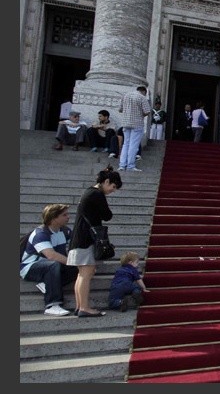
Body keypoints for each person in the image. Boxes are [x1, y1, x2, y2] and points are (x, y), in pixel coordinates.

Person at [68, 166, 123, 317]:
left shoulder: (89, 192)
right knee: (86, 273)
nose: (113, 190)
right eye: (113, 186)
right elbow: (107, 215)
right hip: (86, 239)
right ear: (106, 181)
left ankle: (80, 306)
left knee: (82, 274)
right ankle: (85, 308)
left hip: (79, 238)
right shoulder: (97, 194)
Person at [20, 203, 79, 316]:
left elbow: (75, 243)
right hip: (30, 267)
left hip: (52, 266)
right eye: (64, 215)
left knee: (81, 269)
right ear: (53, 218)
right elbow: (51, 255)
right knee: (53, 264)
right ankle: (52, 305)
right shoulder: (40, 234)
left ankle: (47, 284)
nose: (68, 217)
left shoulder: (64, 231)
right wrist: (74, 262)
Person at [118, 86, 151, 170]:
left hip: (126, 123)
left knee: (126, 144)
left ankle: (122, 165)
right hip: (137, 123)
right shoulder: (142, 97)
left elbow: (120, 109)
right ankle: (130, 165)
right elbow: (147, 111)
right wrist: (140, 115)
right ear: (144, 91)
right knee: (134, 145)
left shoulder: (125, 95)